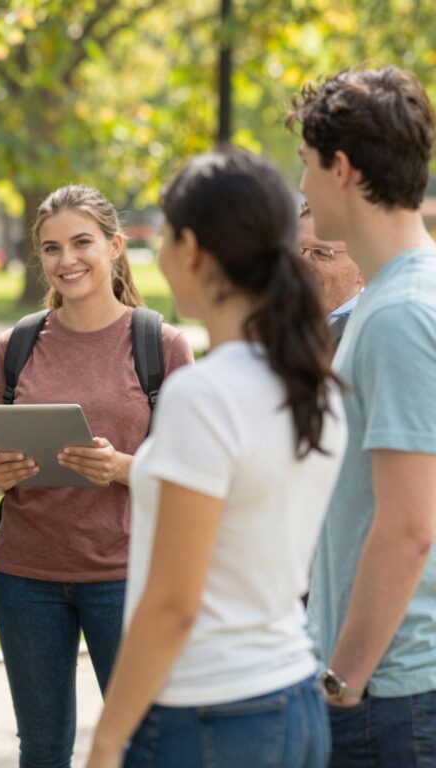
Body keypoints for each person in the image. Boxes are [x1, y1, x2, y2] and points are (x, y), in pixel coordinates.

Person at [85, 150, 346, 768]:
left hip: (205, 714)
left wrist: (105, 740)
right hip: (293, 698)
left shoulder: (205, 394)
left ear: (193, 250)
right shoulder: (314, 381)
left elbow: (174, 604)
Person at [0, 184, 193, 767]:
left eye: (81, 243)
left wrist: (123, 467)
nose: (66, 260)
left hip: (124, 576)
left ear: (115, 246)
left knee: (144, 743)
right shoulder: (15, 345)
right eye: (51, 248)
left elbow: (187, 476)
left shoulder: (161, 344)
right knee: (42, 748)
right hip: (26, 578)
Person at [291, 66, 436, 766]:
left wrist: (340, 681)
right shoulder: (397, 295)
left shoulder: (400, 313)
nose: (303, 188)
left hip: (387, 691)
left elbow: (408, 527)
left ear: (342, 169)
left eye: (307, 166)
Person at [297, 202, 363, 346]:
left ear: (363, 267)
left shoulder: (366, 335)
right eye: (297, 248)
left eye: (321, 253)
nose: (302, 262)